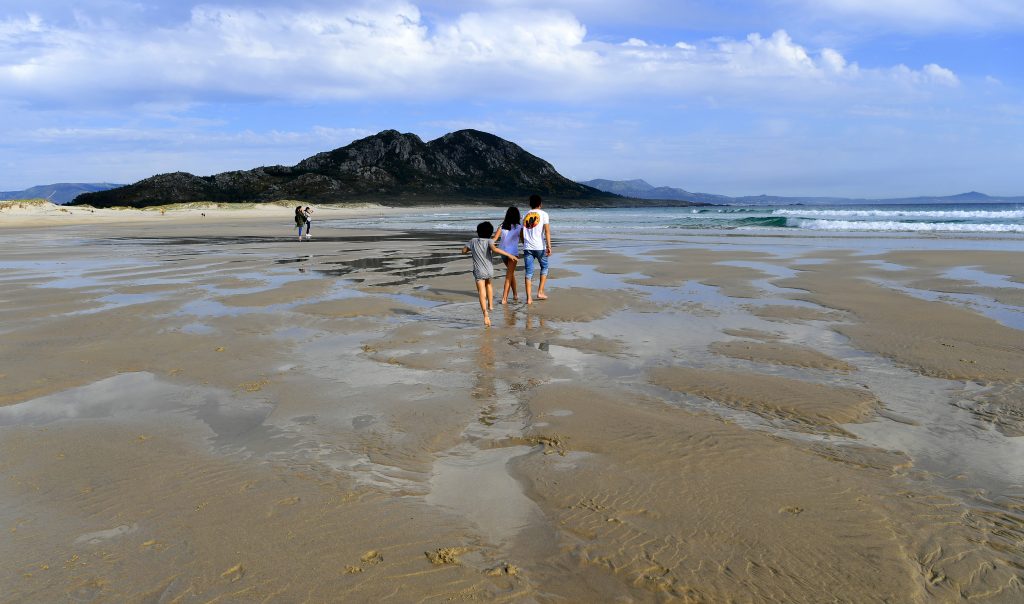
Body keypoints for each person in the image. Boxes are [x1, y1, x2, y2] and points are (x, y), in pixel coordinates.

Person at [462, 221, 517, 327]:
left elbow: (463, 251)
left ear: (478, 232)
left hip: (479, 271)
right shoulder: (490, 241)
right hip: (489, 270)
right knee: (489, 285)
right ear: (490, 233)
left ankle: (485, 314)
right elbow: (495, 249)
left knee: (481, 292)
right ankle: (491, 305)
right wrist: (509, 255)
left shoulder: (472, 241)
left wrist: (467, 249)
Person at [521, 194, 551, 304]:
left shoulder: (525, 215)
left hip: (527, 247)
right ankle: (540, 292)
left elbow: (521, 232)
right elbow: (547, 231)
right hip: (539, 247)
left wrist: (524, 243)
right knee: (544, 267)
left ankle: (529, 298)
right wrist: (549, 246)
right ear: (540, 204)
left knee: (528, 272)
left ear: (530, 204)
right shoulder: (544, 214)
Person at [492, 206, 523, 304]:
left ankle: (515, 295)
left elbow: (494, 239)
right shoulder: (519, 227)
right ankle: (505, 298)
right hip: (513, 254)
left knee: (510, 274)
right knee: (509, 275)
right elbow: (523, 241)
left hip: (503, 253)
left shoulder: (501, 226)